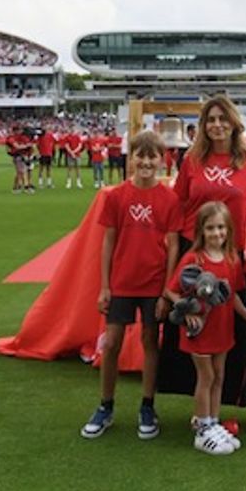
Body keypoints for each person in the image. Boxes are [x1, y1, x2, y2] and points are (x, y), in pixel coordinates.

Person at [159, 96, 246, 414]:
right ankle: (200, 409)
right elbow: (177, 203)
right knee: (188, 326)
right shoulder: (192, 161)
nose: (217, 125)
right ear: (204, 126)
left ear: (234, 122)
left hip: (231, 256)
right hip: (192, 254)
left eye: (223, 118)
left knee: (243, 328)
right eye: (210, 119)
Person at [81, 131, 181, 441]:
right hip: (122, 283)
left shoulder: (169, 198)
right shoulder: (116, 196)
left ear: (162, 160)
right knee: (111, 343)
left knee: (151, 341)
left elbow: (174, 247)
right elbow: (108, 241)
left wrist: (167, 290)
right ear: (131, 158)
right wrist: (105, 286)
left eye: (153, 156)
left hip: (153, 285)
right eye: (141, 155)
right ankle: (105, 406)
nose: (147, 161)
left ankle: (147, 406)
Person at [165, 202, 246, 455]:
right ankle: (202, 427)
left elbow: (233, 295)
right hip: (200, 332)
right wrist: (187, 314)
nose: (217, 233)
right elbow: (171, 291)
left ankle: (213, 422)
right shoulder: (193, 259)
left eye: (221, 228)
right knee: (206, 377)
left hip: (223, 329)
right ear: (201, 231)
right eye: (211, 228)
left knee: (219, 376)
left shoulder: (231, 259)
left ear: (228, 230)